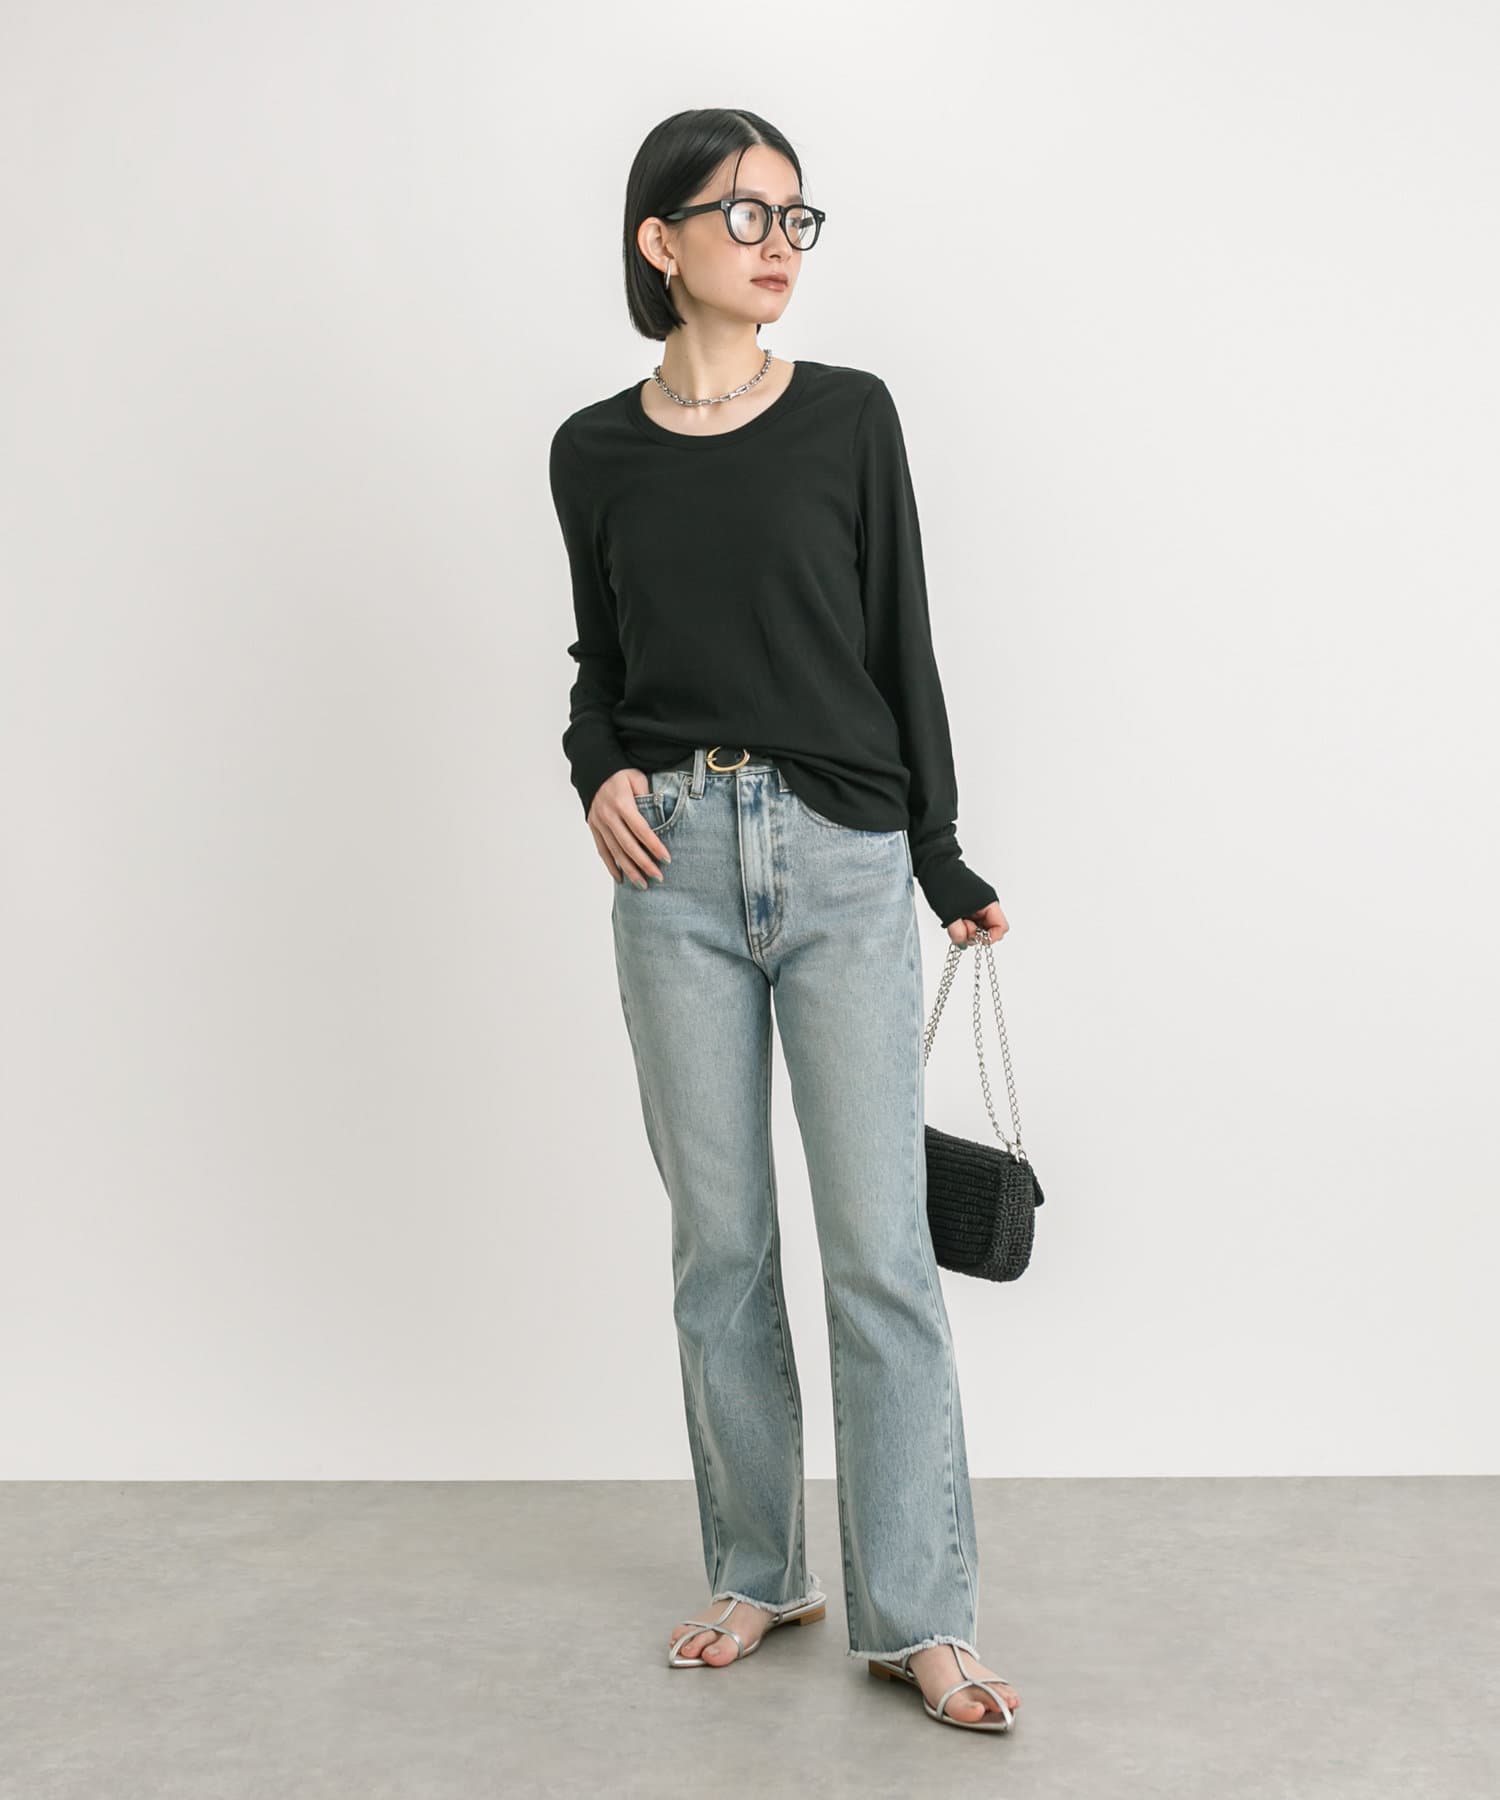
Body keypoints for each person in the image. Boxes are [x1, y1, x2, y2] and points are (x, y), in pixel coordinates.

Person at [547, 108, 1021, 1734]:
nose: (776, 242)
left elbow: (902, 638)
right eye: (742, 212)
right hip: (667, 867)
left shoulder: (848, 417)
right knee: (722, 1248)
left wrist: (940, 856)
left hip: (840, 856)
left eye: (795, 216)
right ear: (659, 240)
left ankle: (922, 1615)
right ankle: (759, 1568)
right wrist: (596, 769)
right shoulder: (591, 452)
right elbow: (600, 668)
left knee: (880, 1251)